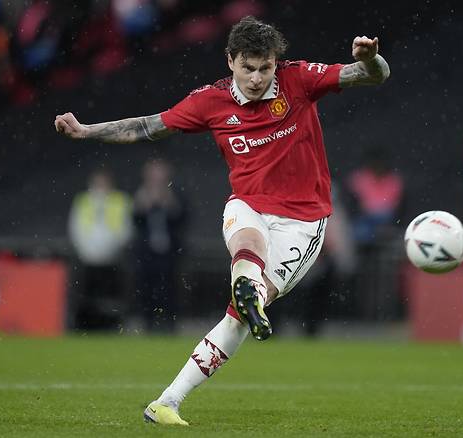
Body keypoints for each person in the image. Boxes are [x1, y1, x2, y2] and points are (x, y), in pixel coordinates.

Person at [54, 16, 389, 425]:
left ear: (275, 63)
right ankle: (247, 289)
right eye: (248, 67)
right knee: (247, 237)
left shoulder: (298, 79)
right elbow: (148, 127)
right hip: (247, 204)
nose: (257, 77)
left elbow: (372, 76)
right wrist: (86, 131)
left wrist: (371, 59)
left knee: (240, 315)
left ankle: (168, 399)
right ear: (230, 60)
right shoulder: (210, 101)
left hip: (303, 222)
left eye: (265, 68)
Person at [68, 168, 132, 330]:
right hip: (88, 259)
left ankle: (109, 326)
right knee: (87, 296)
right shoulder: (83, 200)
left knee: (110, 297)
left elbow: (125, 230)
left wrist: (110, 249)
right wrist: (88, 251)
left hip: (112, 259)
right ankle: (86, 326)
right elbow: (76, 229)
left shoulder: (120, 200)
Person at [133, 158, 187, 333]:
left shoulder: (175, 193)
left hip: (170, 252)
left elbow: (182, 219)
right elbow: (135, 221)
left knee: (170, 287)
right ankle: (147, 323)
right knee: (145, 287)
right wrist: (143, 205)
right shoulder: (140, 193)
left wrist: (168, 202)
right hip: (146, 252)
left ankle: (171, 324)